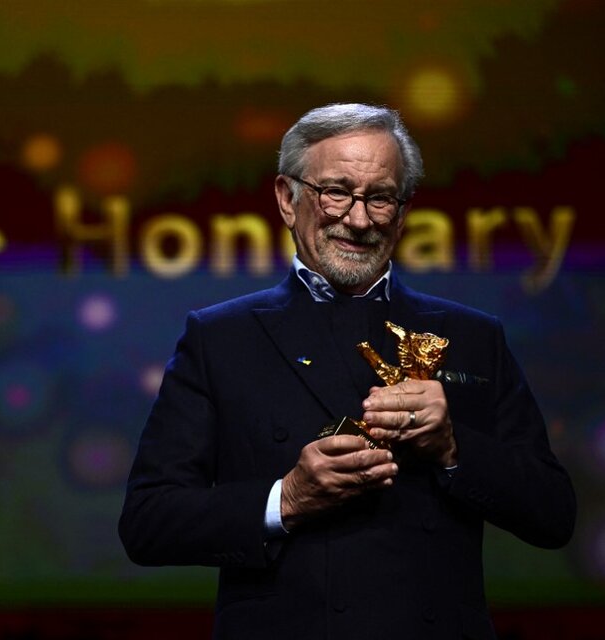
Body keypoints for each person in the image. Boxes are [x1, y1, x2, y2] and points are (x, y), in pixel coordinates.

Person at [118, 103, 575, 640]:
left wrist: (453, 448)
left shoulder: (473, 336)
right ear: (287, 199)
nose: (358, 220)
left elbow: (554, 515)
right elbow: (147, 523)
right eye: (335, 191)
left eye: (379, 197)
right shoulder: (220, 338)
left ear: (402, 214)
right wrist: (285, 499)